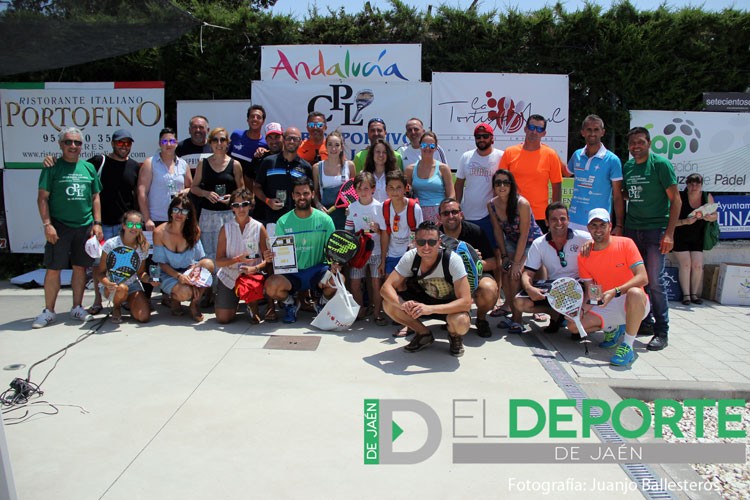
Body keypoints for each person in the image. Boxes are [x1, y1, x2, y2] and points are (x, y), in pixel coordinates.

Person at [42, 128, 141, 315]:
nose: (124, 146)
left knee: (124, 263)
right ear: (112, 143)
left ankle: (122, 298)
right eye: (120, 142)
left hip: (124, 227)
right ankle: (97, 301)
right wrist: (50, 159)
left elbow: (137, 194)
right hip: (101, 225)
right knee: (98, 266)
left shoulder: (135, 166)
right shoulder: (97, 162)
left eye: (127, 143)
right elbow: (72, 168)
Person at [33, 127, 103, 328]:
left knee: (80, 267)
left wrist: (97, 223)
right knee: (54, 268)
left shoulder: (88, 168)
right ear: (61, 145)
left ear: (82, 146)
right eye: (68, 142)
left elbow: (96, 197)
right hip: (59, 226)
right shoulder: (52, 167)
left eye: (77, 143)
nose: (73, 146)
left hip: (85, 226)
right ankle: (49, 311)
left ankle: (77, 307)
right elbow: (42, 198)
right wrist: (47, 225)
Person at [622, 126, 681, 351]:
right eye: (632, 144)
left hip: (656, 231)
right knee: (637, 280)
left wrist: (669, 233)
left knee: (655, 282)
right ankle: (644, 322)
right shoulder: (627, 166)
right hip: (632, 229)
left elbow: (676, 201)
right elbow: (627, 192)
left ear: (649, 143)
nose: (636, 147)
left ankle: (661, 331)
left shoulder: (661, 165)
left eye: (640, 142)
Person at [381, 221, 472, 357]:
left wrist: (430, 309)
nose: (426, 247)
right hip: (421, 303)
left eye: (432, 242)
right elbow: (385, 288)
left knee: (461, 322)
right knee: (388, 304)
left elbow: (466, 302)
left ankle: (454, 336)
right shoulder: (411, 257)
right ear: (415, 242)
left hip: (448, 306)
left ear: (439, 242)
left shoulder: (452, 260)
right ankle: (423, 334)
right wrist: (403, 304)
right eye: (421, 242)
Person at [576, 208, 650, 367]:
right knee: (573, 326)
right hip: (607, 301)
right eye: (594, 225)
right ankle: (612, 328)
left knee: (635, 293)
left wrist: (616, 291)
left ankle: (628, 346)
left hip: (634, 301)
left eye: (602, 225)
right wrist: (583, 310)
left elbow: (643, 277)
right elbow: (593, 289)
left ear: (610, 226)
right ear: (588, 228)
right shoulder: (584, 254)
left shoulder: (626, 243)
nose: (598, 229)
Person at [264, 176, 337, 324]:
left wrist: (336, 263)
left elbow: (333, 250)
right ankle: (291, 304)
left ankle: (320, 304)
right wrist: (271, 256)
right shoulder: (283, 221)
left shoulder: (325, 220)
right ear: (292, 196)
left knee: (337, 281)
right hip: (292, 273)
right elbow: (280, 254)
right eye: (298, 193)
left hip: (317, 270)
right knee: (271, 287)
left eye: (305, 193)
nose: (302, 197)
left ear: (313, 194)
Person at [515, 202, 591, 334]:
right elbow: (527, 274)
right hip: (554, 288)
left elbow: (606, 244)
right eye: (554, 219)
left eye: (563, 219)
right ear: (546, 222)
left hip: (580, 286)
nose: (559, 223)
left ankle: (578, 317)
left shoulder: (583, 238)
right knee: (519, 302)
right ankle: (557, 315)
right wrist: (529, 288)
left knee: (575, 332)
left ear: (568, 220)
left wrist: (592, 243)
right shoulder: (539, 243)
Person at [488, 169, 543, 334]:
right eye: (498, 183)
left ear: (512, 185)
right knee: (505, 271)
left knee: (514, 274)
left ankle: (518, 320)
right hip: (511, 240)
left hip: (531, 242)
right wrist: (504, 256)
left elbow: (525, 234)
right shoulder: (491, 204)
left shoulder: (522, 203)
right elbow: (498, 231)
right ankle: (512, 311)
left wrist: (517, 263)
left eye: (506, 182)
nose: (502, 186)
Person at [437, 198, 498, 339]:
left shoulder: (475, 231)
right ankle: (449, 315)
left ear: (461, 214)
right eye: (446, 213)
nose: (450, 216)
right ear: (439, 217)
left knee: (489, 289)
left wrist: (473, 261)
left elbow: (493, 262)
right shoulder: (435, 235)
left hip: (475, 276)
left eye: (454, 212)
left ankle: (481, 319)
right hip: (446, 278)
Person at [152, 195, 214, 322]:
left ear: (188, 214)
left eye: (183, 211)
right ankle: (175, 299)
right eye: (176, 210)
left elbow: (197, 258)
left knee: (208, 264)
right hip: (169, 273)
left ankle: (195, 303)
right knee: (185, 292)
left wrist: (191, 276)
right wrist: (179, 276)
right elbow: (161, 263)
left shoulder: (194, 230)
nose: (179, 214)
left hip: (188, 269)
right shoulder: (159, 232)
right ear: (170, 212)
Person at [498, 114, 563, 233]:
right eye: (532, 127)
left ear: (544, 133)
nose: (534, 132)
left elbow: (556, 187)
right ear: (525, 129)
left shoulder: (551, 155)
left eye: (539, 129)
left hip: (540, 217)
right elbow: (499, 185)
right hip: (513, 214)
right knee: (512, 251)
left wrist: (554, 215)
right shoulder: (509, 152)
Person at [214, 189, 271, 324]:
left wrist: (255, 268)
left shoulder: (259, 227)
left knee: (253, 282)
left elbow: (268, 259)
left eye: (244, 204)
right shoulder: (225, 229)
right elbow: (219, 261)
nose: (240, 209)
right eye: (236, 205)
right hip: (229, 275)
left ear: (251, 206)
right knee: (223, 318)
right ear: (232, 208)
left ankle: (253, 305)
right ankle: (236, 301)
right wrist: (237, 259)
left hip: (251, 275)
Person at [190, 127, 244, 261]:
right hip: (208, 215)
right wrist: (205, 193)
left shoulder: (235, 164)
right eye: (215, 140)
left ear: (228, 143)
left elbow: (242, 191)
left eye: (222, 140)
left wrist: (232, 198)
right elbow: (193, 188)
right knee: (208, 254)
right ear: (210, 143)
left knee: (231, 252)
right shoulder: (203, 163)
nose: (219, 143)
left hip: (230, 215)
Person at [567, 114, 625, 233]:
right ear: (583, 132)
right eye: (589, 129)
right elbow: (565, 173)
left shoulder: (612, 160)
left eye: (596, 130)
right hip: (573, 221)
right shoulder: (577, 155)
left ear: (602, 132)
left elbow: (618, 196)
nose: (592, 133)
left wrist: (619, 225)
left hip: (599, 224)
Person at [94, 211, 151, 324]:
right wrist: (107, 284)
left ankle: (128, 301)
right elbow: (99, 273)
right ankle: (116, 306)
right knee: (122, 288)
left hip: (132, 285)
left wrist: (150, 280)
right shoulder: (111, 244)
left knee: (144, 317)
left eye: (138, 225)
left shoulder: (143, 247)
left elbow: (141, 273)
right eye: (130, 224)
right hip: (112, 285)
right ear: (124, 225)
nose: (134, 227)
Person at [454, 123, 504, 246]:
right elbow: (459, 183)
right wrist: (457, 206)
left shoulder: (501, 156)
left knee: (493, 252)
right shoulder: (466, 157)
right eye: (478, 136)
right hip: (468, 214)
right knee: (468, 252)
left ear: (492, 138)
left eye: (485, 136)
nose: (481, 139)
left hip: (490, 216)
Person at [345, 171, 385, 324]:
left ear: (373, 189)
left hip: (375, 252)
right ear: (355, 190)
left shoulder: (379, 207)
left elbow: (385, 232)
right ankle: (360, 310)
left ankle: (377, 312)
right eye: (360, 188)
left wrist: (378, 230)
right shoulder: (352, 208)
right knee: (355, 283)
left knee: (376, 283)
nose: (363, 192)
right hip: (358, 254)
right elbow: (348, 231)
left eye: (366, 188)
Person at [253, 127, 313, 225]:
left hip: (296, 220)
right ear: (283, 140)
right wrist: (268, 201)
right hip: (271, 220)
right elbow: (256, 187)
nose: (292, 141)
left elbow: (310, 194)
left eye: (295, 139)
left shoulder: (305, 167)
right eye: (289, 138)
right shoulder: (269, 162)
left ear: (300, 142)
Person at [673, 173, 717, 306]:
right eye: (691, 184)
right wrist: (685, 222)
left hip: (698, 236)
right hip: (680, 235)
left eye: (697, 184)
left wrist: (710, 218)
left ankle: (694, 294)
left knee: (697, 265)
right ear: (687, 185)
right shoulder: (680, 197)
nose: (694, 186)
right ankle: (686, 295)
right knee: (686, 264)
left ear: (701, 185)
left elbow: (714, 215)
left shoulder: (706, 196)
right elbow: (670, 221)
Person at [137, 127, 192, 231]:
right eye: (164, 141)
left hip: (178, 218)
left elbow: (192, 188)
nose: (168, 144)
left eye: (171, 141)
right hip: (156, 219)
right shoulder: (150, 163)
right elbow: (142, 192)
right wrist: (147, 219)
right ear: (159, 144)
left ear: (176, 143)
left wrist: (185, 191)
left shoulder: (183, 164)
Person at [404, 131, 455, 223]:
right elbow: (406, 193)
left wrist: (445, 213)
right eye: (424, 145)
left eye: (431, 146)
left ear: (435, 148)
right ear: (420, 146)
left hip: (440, 214)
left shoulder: (443, 168)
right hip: (417, 212)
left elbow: (451, 195)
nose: (427, 148)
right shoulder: (410, 170)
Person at [312, 130, 356, 230]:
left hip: (346, 216)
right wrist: (318, 205)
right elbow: (314, 193)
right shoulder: (317, 168)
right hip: (325, 216)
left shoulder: (350, 166)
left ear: (341, 148)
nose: (333, 148)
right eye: (330, 145)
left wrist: (351, 207)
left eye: (337, 145)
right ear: (326, 147)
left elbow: (354, 191)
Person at [229, 104, 269, 192]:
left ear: (263, 121)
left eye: (258, 117)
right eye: (252, 116)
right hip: (229, 186)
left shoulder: (265, 145)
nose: (255, 119)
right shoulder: (236, 135)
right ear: (247, 119)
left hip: (247, 192)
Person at [363, 139, 400, 203]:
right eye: (378, 152)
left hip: (390, 212)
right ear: (372, 154)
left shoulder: (396, 175)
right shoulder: (364, 175)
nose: (381, 155)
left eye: (384, 152)